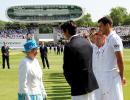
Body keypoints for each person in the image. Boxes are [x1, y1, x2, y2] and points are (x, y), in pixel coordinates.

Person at [60, 20, 99, 100]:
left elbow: (67, 70)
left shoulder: (69, 46)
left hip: (78, 86)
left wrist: (73, 84)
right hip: (91, 83)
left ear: (66, 31)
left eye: (63, 32)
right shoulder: (87, 42)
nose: (63, 34)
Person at [93, 16, 126, 100]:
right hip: (105, 78)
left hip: (111, 78)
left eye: (100, 26)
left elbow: (120, 59)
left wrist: (121, 77)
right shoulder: (108, 38)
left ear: (107, 25)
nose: (99, 29)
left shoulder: (114, 38)